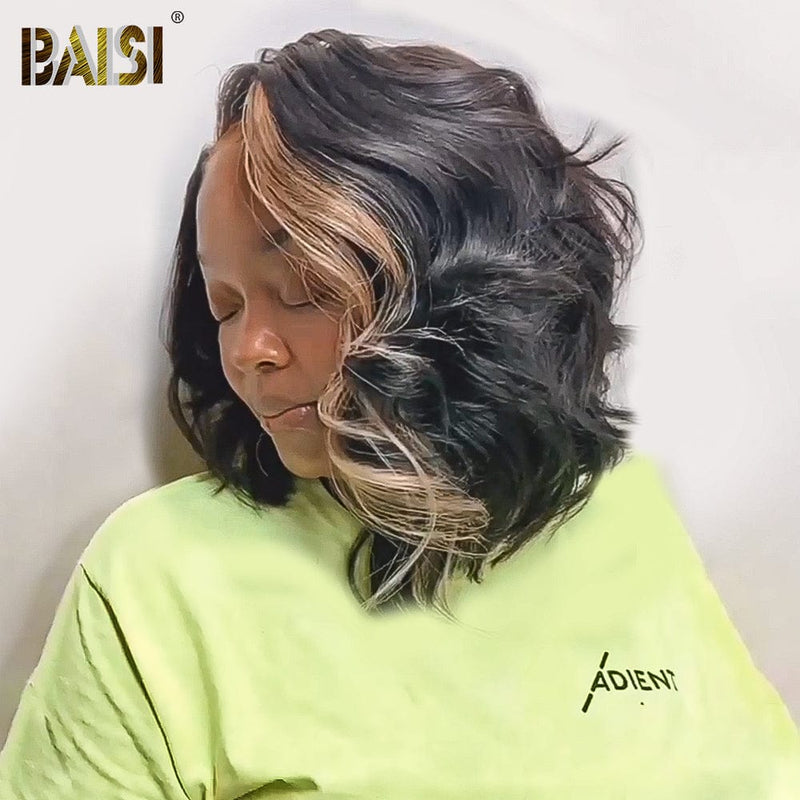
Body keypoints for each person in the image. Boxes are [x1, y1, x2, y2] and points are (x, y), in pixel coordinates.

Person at [1, 27, 798, 800]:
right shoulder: (158, 577)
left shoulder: (620, 509)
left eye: (306, 288)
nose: (247, 349)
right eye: (224, 304)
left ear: (468, 290)